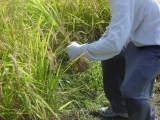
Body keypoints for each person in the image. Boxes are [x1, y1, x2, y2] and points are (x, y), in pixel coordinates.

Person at [66, 0, 160, 120]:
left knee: (133, 93)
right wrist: (93, 46)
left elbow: (113, 45)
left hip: (155, 46)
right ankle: (121, 108)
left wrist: (80, 50)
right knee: (111, 56)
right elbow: (113, 29)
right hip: (139, 40)